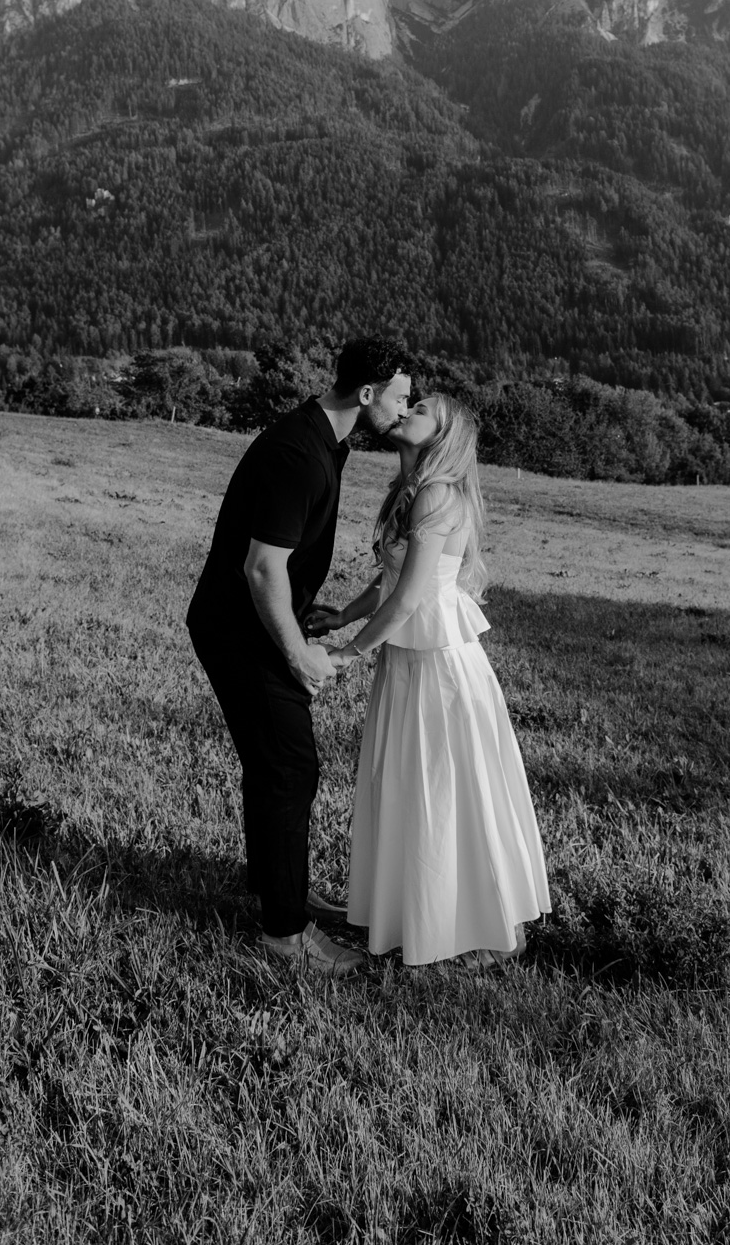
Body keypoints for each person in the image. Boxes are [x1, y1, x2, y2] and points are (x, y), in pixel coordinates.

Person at [186, 338, 411, 975]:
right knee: (290, 765)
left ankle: (277, 892)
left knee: (276, 764)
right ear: (366, 395)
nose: (405, 409)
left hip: (253, 624)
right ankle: (286, 934)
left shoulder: (324, 440)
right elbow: (262, 568)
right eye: (399, 397)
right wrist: (299, 654)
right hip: (243, 630)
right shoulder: (299, 453)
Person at [321, 393, 550, 966]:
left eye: (419, 408)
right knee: (409, 785)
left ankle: (484, 929)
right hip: (407, 660)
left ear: (441, 435)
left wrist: (349, 652)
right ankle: (418, 915)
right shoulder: (409, 491)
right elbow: (388, 579)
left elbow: (406, 600)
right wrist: (344, 614)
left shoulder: (438, 495)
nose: (406, 410)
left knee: (446, 790)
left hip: (439, 664)